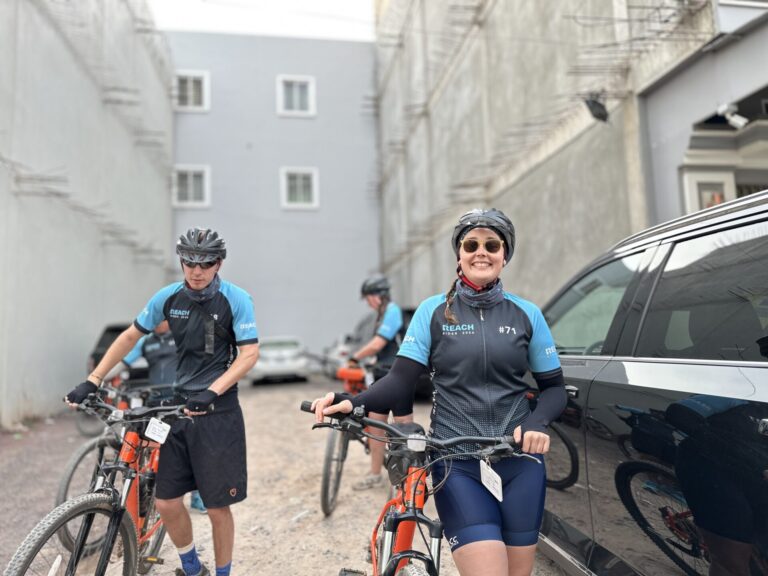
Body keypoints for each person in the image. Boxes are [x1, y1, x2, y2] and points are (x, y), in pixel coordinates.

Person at [312, 208, 566, 576]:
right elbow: (400, 380)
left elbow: (554, 389)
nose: (481, 252)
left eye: (492, 245)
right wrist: (352, 402)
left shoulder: (527, 314)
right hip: (457, 462)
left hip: (520, 461)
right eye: (471, 245)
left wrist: (537, 423)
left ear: (505, 255)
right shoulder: (432, 312)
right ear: (459, 254)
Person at [66, 228, 259, 576]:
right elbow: (130, 336)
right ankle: (192, 567)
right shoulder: (168, 297)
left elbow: (249, 354)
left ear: (219, 264)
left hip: (218, 412)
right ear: (181, 261)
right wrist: (94, 379)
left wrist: (213, 390)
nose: (197, 271)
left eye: (206, 264)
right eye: (190, 263)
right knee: (167, 502)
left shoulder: (236, 299)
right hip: (178, 408)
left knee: (217, 507)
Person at [106, 320, 207, 514]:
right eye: (155, 319)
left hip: (179, 401)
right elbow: (123, 363)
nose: (158, 323)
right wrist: (98, 378)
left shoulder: (181, 337)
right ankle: (151, 492)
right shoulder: (146, 341)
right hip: (155, 402)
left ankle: (198, 496)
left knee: (189, 447)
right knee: (151, 445)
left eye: (162, 319)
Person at [348, 274, 413, 490]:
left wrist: (355, 357)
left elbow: (378, 344)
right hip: (382, 375)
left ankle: (407, 478)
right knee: (375, 427)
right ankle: (375, 474)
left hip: (398, 376)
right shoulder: (382, 314)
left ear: (377, 296)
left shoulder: (393, 311)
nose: (368, 303)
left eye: (367, 298)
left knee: (403, 429)